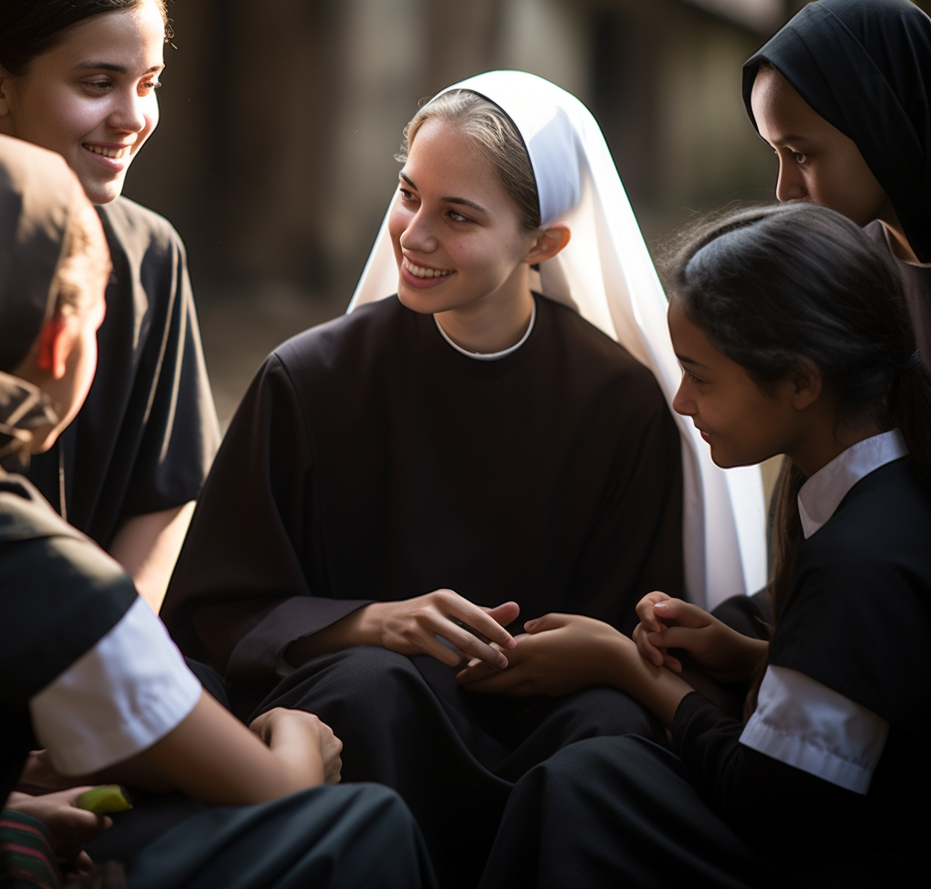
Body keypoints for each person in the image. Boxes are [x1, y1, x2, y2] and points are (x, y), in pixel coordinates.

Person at [163, 71, 765, 886]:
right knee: (367, 689)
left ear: (543, 243)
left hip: (546, 712)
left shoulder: (618, 401)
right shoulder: (309, 379)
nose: (412, 233)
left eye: (457, 215)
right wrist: (372, 623)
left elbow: (641, 615)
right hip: (373, 704)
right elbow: (219, 608)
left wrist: (566, 652)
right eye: (409, 194)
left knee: (609, 732)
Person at [0, 130, 435, 889]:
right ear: (60, 345)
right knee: (364, 825)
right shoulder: (29, 568)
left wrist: (1, 813)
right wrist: (298, 739)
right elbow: (275, 789)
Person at [474, 203, 929, 887]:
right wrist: (751, 657)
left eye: (702, 375)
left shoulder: (860, 554)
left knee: (587, 784)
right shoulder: (883, 487)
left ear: (801, 382)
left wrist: (627, 667)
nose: (682, 401)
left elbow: (768, 799)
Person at [0, 0, 219, 611]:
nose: (133, 116)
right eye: (98, 82)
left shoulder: (150, 252)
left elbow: (165, 493)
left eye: (149, 81)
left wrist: (113, 648)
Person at [742, 0, 931, 373]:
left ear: (882, 129)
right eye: (775, 154)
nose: (783, 191)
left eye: (800, 155)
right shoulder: (851, 279)